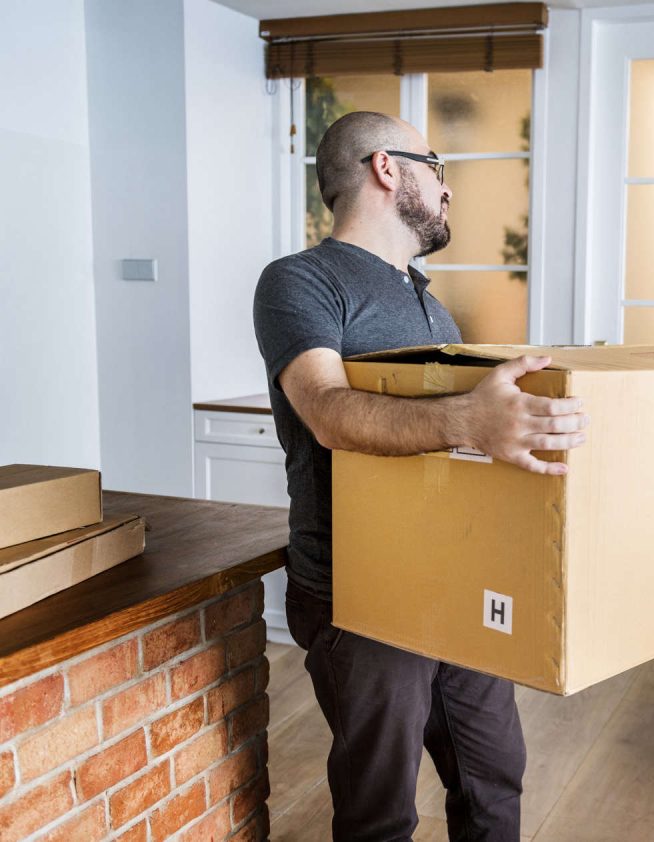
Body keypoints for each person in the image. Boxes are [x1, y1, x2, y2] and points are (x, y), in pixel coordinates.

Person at [253, 111, 589, 841]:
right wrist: (469, 419)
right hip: (359, 590)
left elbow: (458, 457)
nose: (448, 189)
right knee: (381, 811)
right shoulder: (298, 282)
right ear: (384, 167)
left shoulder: (430, 304)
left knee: (495, 776)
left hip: (454, 582)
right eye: (435, 166)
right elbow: (328, 413)